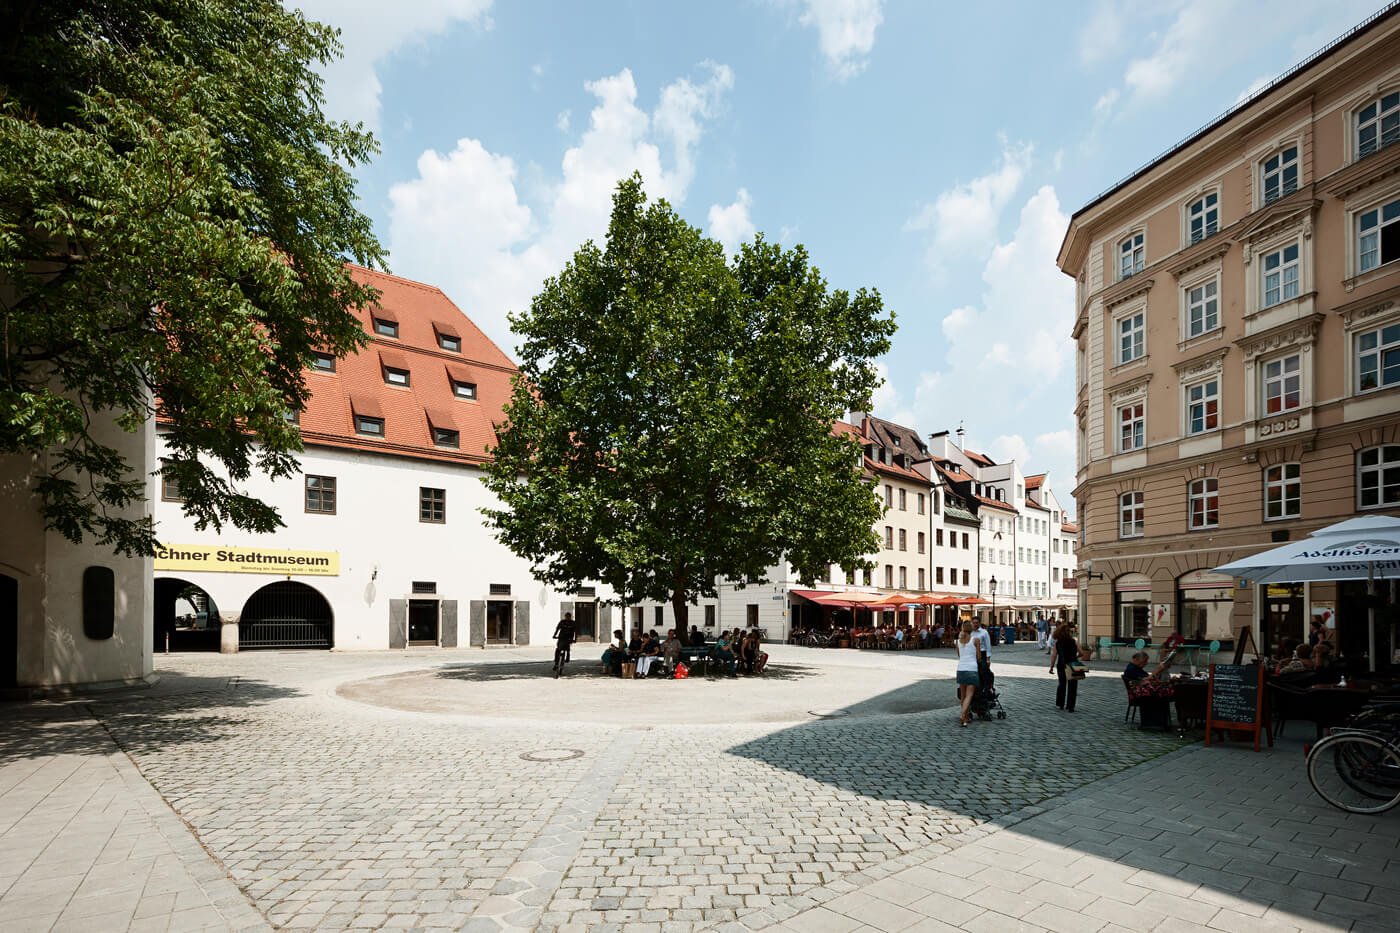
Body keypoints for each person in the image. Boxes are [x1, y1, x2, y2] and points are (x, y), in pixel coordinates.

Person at [954, 620, 982, 727]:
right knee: (969, 695)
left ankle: (965, 718)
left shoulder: (958, 641)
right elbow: (979, 657)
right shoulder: (975, 640)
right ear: (971, 629)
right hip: (972, 669)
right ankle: (962, 715)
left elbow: (959, 656)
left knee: (963, 696)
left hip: (961, 669)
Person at [1048, 622, 1080, 712]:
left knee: (1062, 684)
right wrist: (1076, 656)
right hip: (1073, 665)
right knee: (1072, 686)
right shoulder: (1074, 641)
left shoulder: (1058, 643)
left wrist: (1051, 667)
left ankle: (1060, 704)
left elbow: (1054, 655)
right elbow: (1081, 653)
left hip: (1062, 665)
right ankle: (1071, 706)